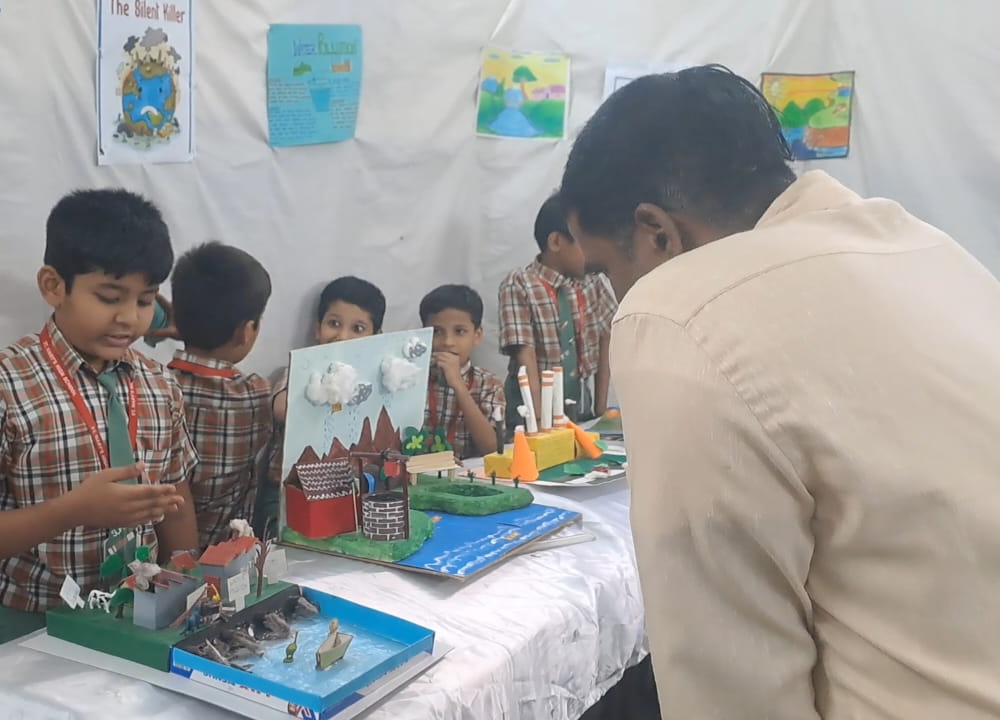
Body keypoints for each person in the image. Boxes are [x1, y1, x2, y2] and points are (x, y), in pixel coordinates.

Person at [560, 64, 1000, 718]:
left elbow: (727, 685)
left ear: (656, 233)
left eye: (604, 271)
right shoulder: (930, 252)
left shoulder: (678, 311)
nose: (614, 296)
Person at [0, 189, 200, 653]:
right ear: (53, 286)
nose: (129, 318)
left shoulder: (159, 384)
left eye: (146, 300)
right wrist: (72, 511)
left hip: (138, 614)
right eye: (109, 297)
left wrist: (186, 581)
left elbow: (175, 499)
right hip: (29, 628)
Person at [254, 276, 387, 533]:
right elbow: (281, 409)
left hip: (346, 493)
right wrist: (325, 391)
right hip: (288, 494)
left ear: (376, 337)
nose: (342, 336)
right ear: (317, 328)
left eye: (358, 328)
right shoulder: (300, 371)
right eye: (334, 324)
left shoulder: (374, 384)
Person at [167, 241, 275, 547]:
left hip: (163, 552)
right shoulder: (255, 393)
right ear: (246, 331)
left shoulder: (156, 386)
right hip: (228, 549)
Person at [498, 193, 616, 427]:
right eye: (585, 244)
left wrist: (600, 409)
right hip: (531, 410)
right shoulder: (519, 284)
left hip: (579, 405)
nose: (593, 253)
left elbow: (606, 336)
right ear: (555, 242)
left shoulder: (591, 281)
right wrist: (538, 422)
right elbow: (525, 356)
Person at [418, 284, 505, 458]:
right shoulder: (412, 379)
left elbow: (493, 449)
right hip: (420, 470)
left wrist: (459, 386)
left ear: (477, 335)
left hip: (470, 472)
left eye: (459, 331)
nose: (448, 342)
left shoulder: (489, 384)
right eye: (437, 332)